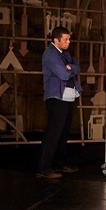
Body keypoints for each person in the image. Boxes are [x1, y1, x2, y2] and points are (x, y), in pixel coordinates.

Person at [37, 26, 82, 179]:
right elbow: (63, 74)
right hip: (56, 98)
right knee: (54, 133)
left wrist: (71, 68)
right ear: (56, 40)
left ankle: (59, 164)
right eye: (66, 39)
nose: (68, 42)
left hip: (67, 97)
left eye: (69, 39)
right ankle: (44, 168)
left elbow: (77, 67)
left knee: (63, 133)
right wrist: (70, 69)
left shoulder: (65, 54)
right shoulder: (50, 54)